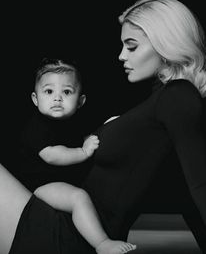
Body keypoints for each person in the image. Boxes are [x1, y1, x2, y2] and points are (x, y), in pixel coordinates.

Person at [1, 0, 206, 254]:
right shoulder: (162, 102)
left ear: (165, 44)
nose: (121, 55)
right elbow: (185, 193)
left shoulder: (178, 97)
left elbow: (201, 187)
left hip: (69, 237)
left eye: (132, 47)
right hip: (68, 226)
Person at [17, 57, 136, 254]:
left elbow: (95, 132)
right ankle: (102, 243)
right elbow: (52, 155)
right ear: (35, 99)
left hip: (61, 181)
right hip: (38, 186)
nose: (57, 98)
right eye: (48, 91)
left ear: (80, 101)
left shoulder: (75, 122)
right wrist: (83, 151)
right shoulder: (36, 127)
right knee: (78, 198)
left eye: (66, 92)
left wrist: (114, 125)